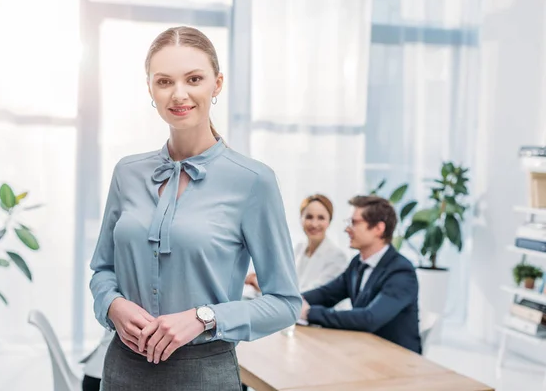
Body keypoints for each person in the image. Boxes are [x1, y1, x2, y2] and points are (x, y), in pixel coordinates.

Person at [89, 26, 301, 390]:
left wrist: (204, 317)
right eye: (164, 81)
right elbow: (102, 270)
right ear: (150, 89)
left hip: (204, 374)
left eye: (194, 78)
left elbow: (285, 303)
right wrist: (112, 305)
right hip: (122, 368)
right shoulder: (127, 172)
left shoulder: (253, 181)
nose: (179, 93)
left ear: (216, 84)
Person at [299, 195, 421, 353]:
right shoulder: (358, 263)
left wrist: (309, 313)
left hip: (396, 360)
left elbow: (369, 318)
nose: (346, 229)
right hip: (365, 350)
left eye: (354, 223)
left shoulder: (401, 272)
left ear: (378, 228)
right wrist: (292, 301)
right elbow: (327, 294)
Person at [244, 194, 349, 293]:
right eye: (309, 217)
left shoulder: (337, 257)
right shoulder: (299, 248)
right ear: (301, 219)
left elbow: (312, 294)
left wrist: (260, 284)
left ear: (329, 221)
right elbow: (284, 281)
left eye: (321, 218)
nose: (314, 224)